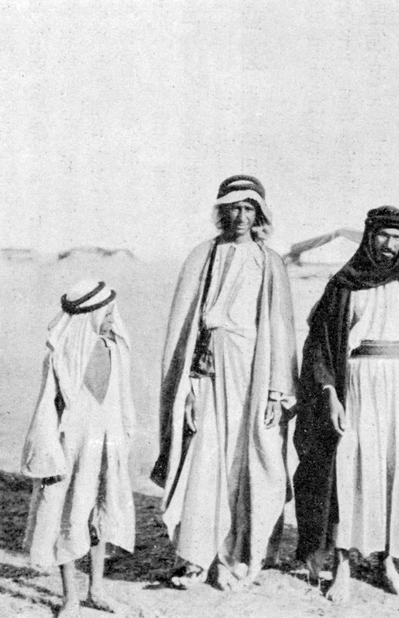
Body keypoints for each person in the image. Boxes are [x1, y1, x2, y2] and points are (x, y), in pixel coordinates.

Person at [151, 174, 298, 591]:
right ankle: (198, 558)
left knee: (249, 462)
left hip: (254, 374)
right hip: (207, 371)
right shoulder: (203, 255)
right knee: (203, 458)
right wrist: (189, 382)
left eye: (249, 208)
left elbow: (281, 331)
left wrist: (277, 393)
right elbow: (186, 326)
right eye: (233, 208)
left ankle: (236, 556)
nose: (240, 216)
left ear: (259, 214)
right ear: (222, 212)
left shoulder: (270, 262)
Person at [293, 206, 399, 603]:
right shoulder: (345, 283)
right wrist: (330, 394)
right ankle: (343, 566)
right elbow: (320, 345)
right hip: (356, 382)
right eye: (382, 235)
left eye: (398, 237)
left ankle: (390, 563)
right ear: (370, 237)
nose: (389, 244)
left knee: (396, 470)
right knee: (350, 470)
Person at [21, 280, 136, 617]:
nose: (113, 319)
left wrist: (124, 437)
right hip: (70, 450)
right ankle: (70, 597)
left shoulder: (117, 349)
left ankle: (96, 589)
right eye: (107, 314)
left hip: (106, 446)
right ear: (89, 315)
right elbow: (46, 409)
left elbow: (122, 400)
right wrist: (49, 455)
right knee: (67, 517)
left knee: (100, 515)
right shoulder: (60, 355)